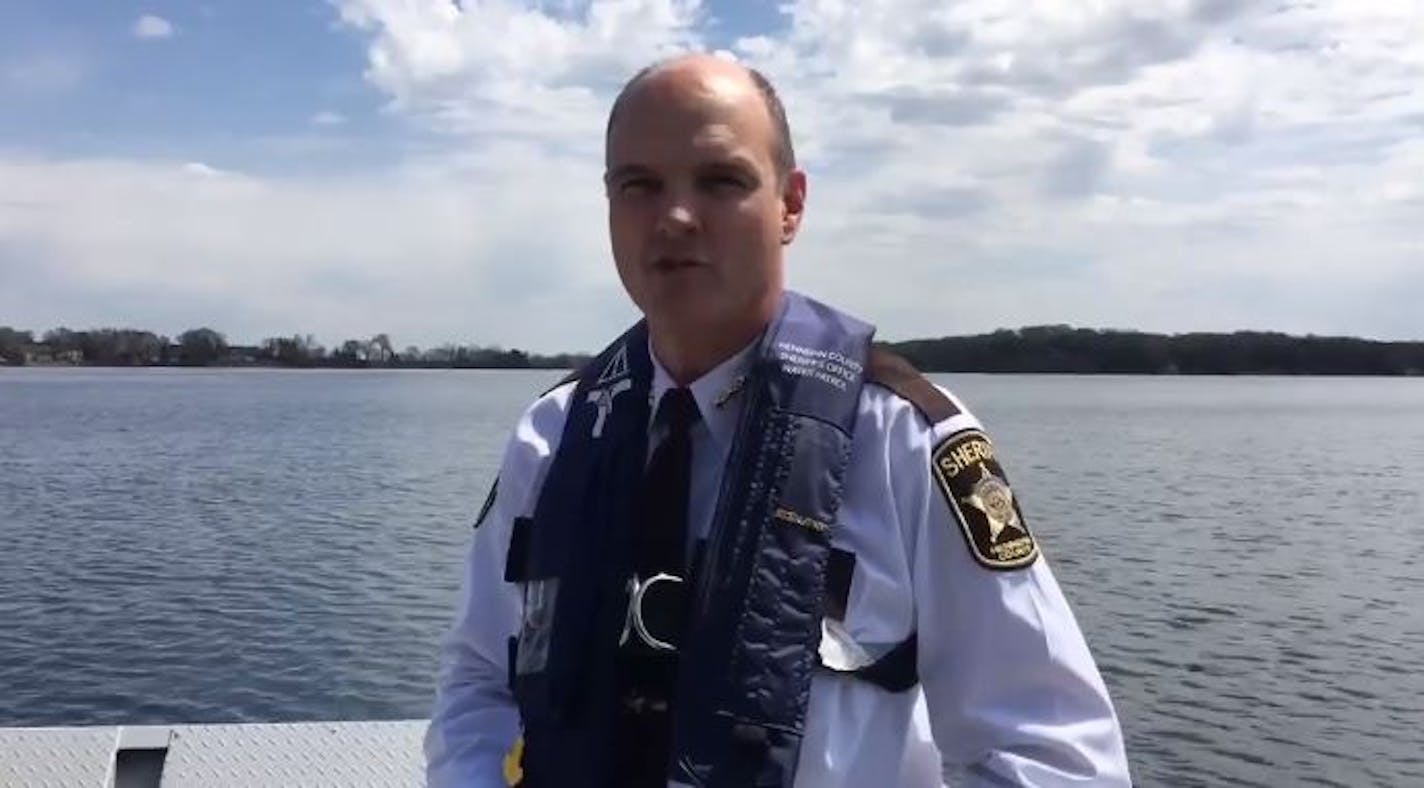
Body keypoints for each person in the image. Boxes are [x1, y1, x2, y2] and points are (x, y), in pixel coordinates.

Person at [424, 53, 1132, 787]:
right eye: (639, 185)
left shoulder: (905, 444)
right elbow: (480, 680)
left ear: (790, 205)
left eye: (720, 181)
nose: (673, 216)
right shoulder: (552, 439)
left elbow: (1053, 755)